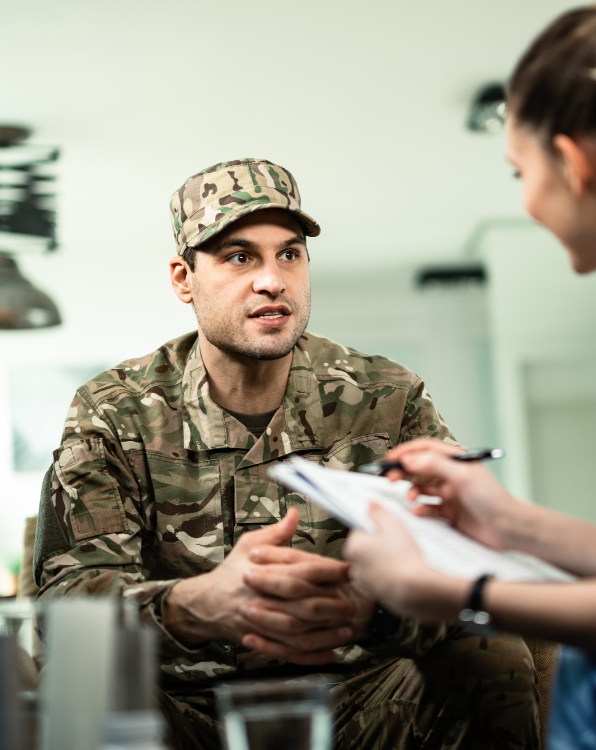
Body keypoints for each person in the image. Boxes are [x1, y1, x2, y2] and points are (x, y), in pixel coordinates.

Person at [343, 1, 596, 748]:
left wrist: (434, 590)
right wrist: (510, 523)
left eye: (519, 172)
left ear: (574, 162)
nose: (525, 201)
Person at [33, 159, 540, 749]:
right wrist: (196, 605)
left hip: (363, 701)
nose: (272, 280)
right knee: (80, 687)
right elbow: (69, 611)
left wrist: (371, 609)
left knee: (491, 654)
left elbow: (460, 561)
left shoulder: (385, 396)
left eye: (290, 254)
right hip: (181, 712)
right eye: (240, 256)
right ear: (183, 279)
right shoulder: (113, 410)